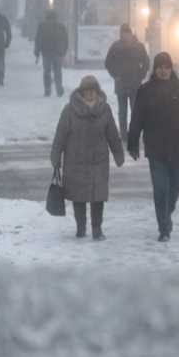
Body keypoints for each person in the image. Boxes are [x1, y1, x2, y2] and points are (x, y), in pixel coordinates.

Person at [128, 52, 179, 242]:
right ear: (155, 69)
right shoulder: (145, 91)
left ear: (171, 68)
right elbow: (137, 118)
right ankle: (164, 228)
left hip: (178, 145)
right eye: (159, 67)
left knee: (177, 184)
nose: (163, 70)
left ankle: (166, 214)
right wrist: (133, 141)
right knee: (160, 188)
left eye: (166, 66)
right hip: (155, 148)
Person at [50, 75, 125, 240]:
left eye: (92, 91)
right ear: (81, 93)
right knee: (79, 197)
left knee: (98, 197)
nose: (90, 94)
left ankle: (97, 230)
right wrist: (55, 156)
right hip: (75, 161)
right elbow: (61, 134)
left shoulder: (105, 110)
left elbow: (112, 134)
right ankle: (81, 227)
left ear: (97, 92)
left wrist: (118, 153)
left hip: (98, 161)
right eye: (87, 92)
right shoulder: (69, 110)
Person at [104, 23, 150, 144]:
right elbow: (108, 63)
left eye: (127, 33)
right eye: (124, 33)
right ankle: (125, 135)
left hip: (132, 83)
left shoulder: (135, 46)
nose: (125, 35)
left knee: (132, 110)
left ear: (130, 33)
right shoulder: (119, 47)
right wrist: (116, 74)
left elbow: (146, 62)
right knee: (124, 110)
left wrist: (140, 75)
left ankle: (131, 133)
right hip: (125, 83)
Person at [34, 9, 69, 98]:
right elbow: (65, 39)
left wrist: (37, 51)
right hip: (57, 52)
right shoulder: (61, 26)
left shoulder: (42, 25)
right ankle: (58, 87)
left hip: (46, 51)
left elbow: (38, 39)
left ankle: (47, 89)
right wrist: (64, 50)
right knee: (57, 71)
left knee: (47, 71)